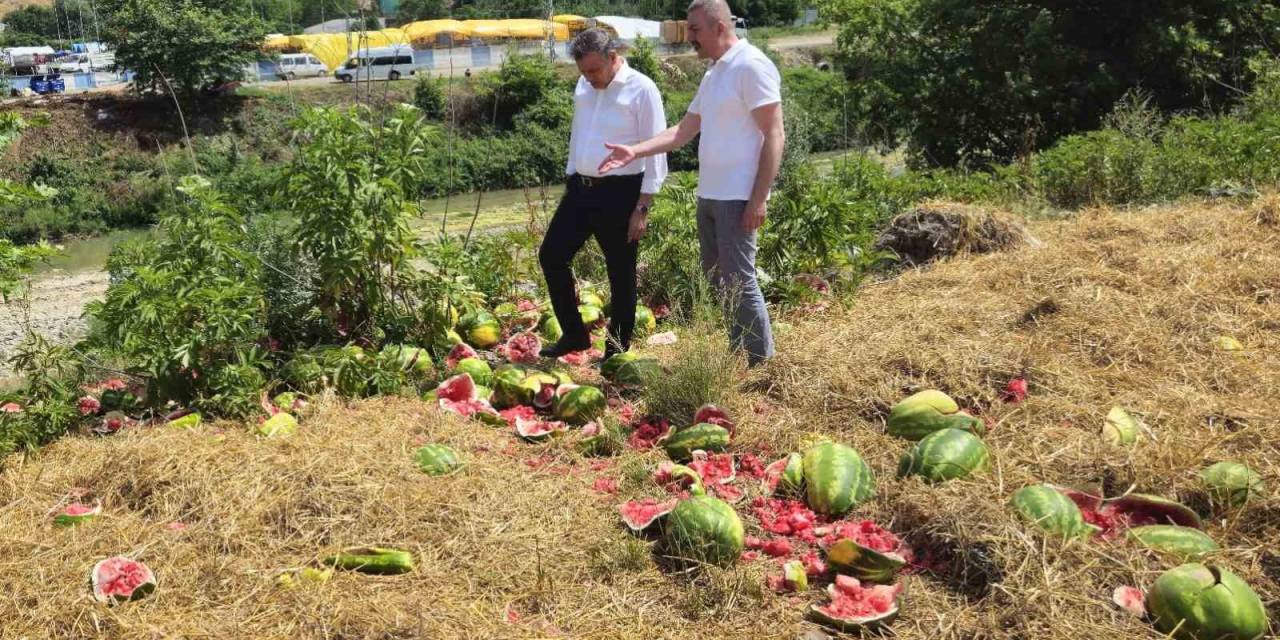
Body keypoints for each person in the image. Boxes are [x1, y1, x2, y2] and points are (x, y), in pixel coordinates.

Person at [597, 0, 783, 366]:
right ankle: (739, 356)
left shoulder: (751, 65)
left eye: (694, 30)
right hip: (710, 194)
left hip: (738, 195)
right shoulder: (714, 73)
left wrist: (759, 198)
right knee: (719, 283)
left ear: (718, 26)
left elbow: (774, 134)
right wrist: (635, 151)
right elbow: (683, 131)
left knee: (741, 283)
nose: (689, 38)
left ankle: (763, 365)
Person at [538, 28, 669, 361]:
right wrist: (572, 171)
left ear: (613, 58)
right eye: (583, 71)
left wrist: (643, 206)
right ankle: (574, 334)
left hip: (621, 193)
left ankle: (617, 350)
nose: (589, 78)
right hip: (581, 188)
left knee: (620, 273)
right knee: (552, 255)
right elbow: (580, 131)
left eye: (595, 70)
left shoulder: (642, 89)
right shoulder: (584, 84)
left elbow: (656, 152)